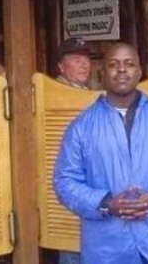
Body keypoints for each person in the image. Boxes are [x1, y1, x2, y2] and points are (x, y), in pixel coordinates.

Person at [53, 43, 148, 264]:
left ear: (139, 72)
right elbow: (64, 181)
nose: (121, 70)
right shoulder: (82, 127)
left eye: (129, 64)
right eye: (113, 64)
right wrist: (105, 203)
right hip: (106, 249)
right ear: (102, 73)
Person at [54, 37, 92, 264]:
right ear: (61, 67)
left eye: (86, 59)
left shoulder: (86, 93)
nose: (84, 64)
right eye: (76, 59)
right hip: (68, 191)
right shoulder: (55, 97)